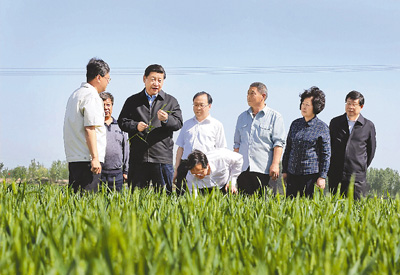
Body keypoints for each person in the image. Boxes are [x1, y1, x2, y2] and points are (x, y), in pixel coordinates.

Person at [118, 64, 183, 192]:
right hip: (139, 158)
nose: (156, 83)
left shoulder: (170, 101)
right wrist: (136, 126)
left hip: (162, 157)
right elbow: (122, 122)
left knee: (165, 198)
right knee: (136, 198)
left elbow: (178, 123)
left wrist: (166, 120)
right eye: (153, 79)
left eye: (160, 80)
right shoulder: (133, 101)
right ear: (144, 79)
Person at [63, 57, 110, 192]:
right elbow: (90, 128)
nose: (108, 82)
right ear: (98, 77)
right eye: (108, 79)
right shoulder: (92, 96)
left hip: (75, 158)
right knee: (87, 205)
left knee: (76, 203)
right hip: (88, 160)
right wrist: (95, 158)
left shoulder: (75, 95)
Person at [233, 82, 286, 195]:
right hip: (244, 170)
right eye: (247, 94)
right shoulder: (241, 117)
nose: (248, 96)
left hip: (264, 170)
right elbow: (237, 145)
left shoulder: (275, 117)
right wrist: (234, 170)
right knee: (243, 206)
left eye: (252, 93)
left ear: (263, 96)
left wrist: (275, 164)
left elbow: (278, 143)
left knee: (265, 205)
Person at [282, 86, 331, 198]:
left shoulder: (322, 128)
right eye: (303, 104)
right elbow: (288, 148)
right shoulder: (295, 124)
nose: (303, 107)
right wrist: (284, 170)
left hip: (310, 176)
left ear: (316, 107)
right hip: (292, 173)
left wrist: (322, 176)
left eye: (307, 105)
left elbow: (326, 154)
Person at [174, 91, 227, 193]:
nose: (198, 108)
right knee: (182, 198)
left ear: (209, 106)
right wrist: (176, 169)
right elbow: (180, 148)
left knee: (204, 200)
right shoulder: (187, 124)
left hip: (204, 167)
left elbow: (221, 151)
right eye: (195, 105)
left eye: (201, 105)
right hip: (186, 166)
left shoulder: (216, 125)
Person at [328, 91, 376, 199]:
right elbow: (329, 146)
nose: (350, 107)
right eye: (348, 103)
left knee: (356, 209)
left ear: (361, 106)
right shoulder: (335, 123)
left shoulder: (368, 126)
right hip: (336, 175)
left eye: (354, 104)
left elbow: (371, 151)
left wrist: (361, 166)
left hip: (357, 177)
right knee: (335, 209)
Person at [99, 92, 129, 191]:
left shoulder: (121, 126)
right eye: (102, 105)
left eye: (108, 104)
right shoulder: (95, 126)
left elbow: (126, 149)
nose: (105, 108)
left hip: (117, 174)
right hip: (99, 173)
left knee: (116, 203)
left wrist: (126, 170)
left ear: (112, 106)